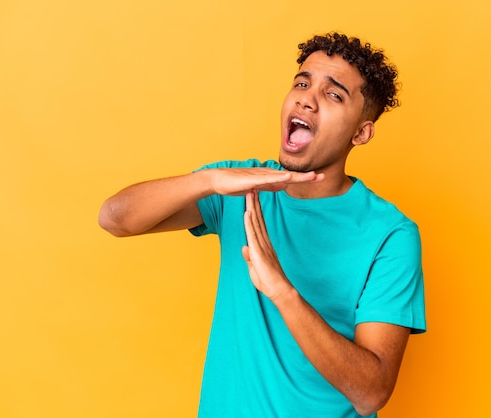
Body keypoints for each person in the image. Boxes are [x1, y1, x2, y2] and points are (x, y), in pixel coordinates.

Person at [99, 32, 426, 417]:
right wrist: (207, 181)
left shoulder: (391, 235)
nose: (307, 98)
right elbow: (115, 219)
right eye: (302, 83)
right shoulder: (241, 186)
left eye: (334, 94)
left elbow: (371, 393)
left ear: (361, 132)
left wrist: (282, 291)